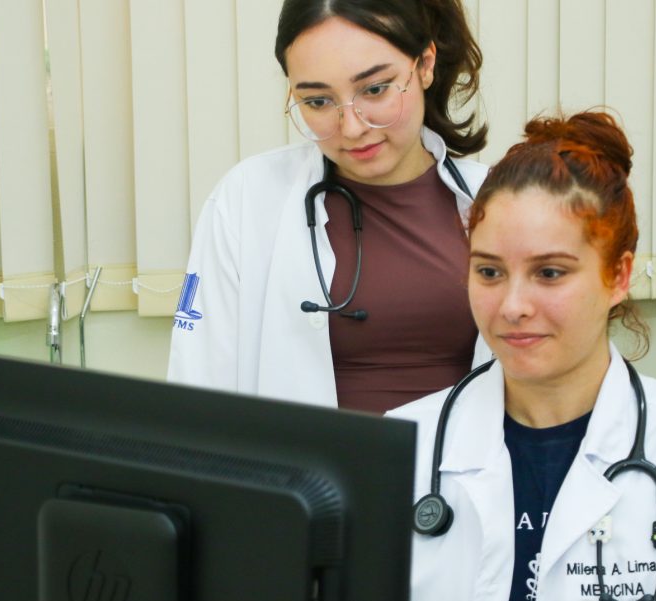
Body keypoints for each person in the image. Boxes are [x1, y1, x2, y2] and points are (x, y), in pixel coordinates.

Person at [388, 111, 656, 601]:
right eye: (489, 272)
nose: (512, 306)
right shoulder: (399, 448)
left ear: (618, 277)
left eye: (549, 273)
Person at [168, 0, 491, 413]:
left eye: (375, 90)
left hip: (463, 455)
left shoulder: (495, 199)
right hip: (297, 455)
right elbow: (197, 383)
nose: (351, 128)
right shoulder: (246, 199)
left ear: (425, 65)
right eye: (319, 101)